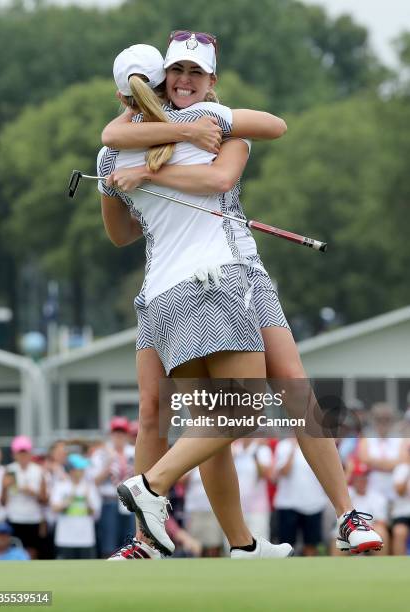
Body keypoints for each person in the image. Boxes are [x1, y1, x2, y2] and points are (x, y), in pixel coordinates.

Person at [101, 36, 383, 557]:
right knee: (230, 413)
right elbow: (124, 219)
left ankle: (336, 519)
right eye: (176, 71)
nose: (185, 81)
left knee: (290, 393)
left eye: (196, 72)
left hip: (240, 273)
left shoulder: (210, 121)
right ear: (160, 81)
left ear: (211, 81)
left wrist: (146, 172)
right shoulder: (132, 144)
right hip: (209, 281)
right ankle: (160, 498)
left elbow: (229, 168)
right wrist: (127, 175)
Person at [98, 42, 293, 561]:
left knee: (203, 421)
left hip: (158, 296)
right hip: (209, 284)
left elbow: (119, 234)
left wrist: (139, 181)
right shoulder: (205, 116)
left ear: (121, 93)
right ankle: (153, 486)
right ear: (163, 81)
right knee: (243, 408)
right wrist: (184, 136)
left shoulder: (111, 153)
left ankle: (240, 545)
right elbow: (272, 129)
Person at [273, 437, 327, 556]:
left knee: (311, 545)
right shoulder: (284, 446)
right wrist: (293, 449)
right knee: (286, 546)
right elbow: (284, 471)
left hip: (314, 503)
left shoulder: (318, 444)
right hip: (288, 504)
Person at [91, 417, 135, 557]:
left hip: (129, 501)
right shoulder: (101, 453)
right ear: (111, 434)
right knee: (109, 543)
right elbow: (95, 480)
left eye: (122, 433)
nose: (119, 436)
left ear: (127, 434)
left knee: (130, 542)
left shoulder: (134, 452)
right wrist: (109, 462)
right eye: (116, 432)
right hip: (109, 500)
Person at [1, 435, 47, 559]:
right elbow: (3, 502)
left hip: (33, 518)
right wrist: (5, 487)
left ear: (30, 453)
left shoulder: (38, 471)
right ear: (14, 454)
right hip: (14, 517)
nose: (22, 456)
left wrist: (33, 493)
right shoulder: (9, 470)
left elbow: (44, 500)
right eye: (19, 453)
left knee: (32, 552)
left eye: (25, 453)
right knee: (13, 551)